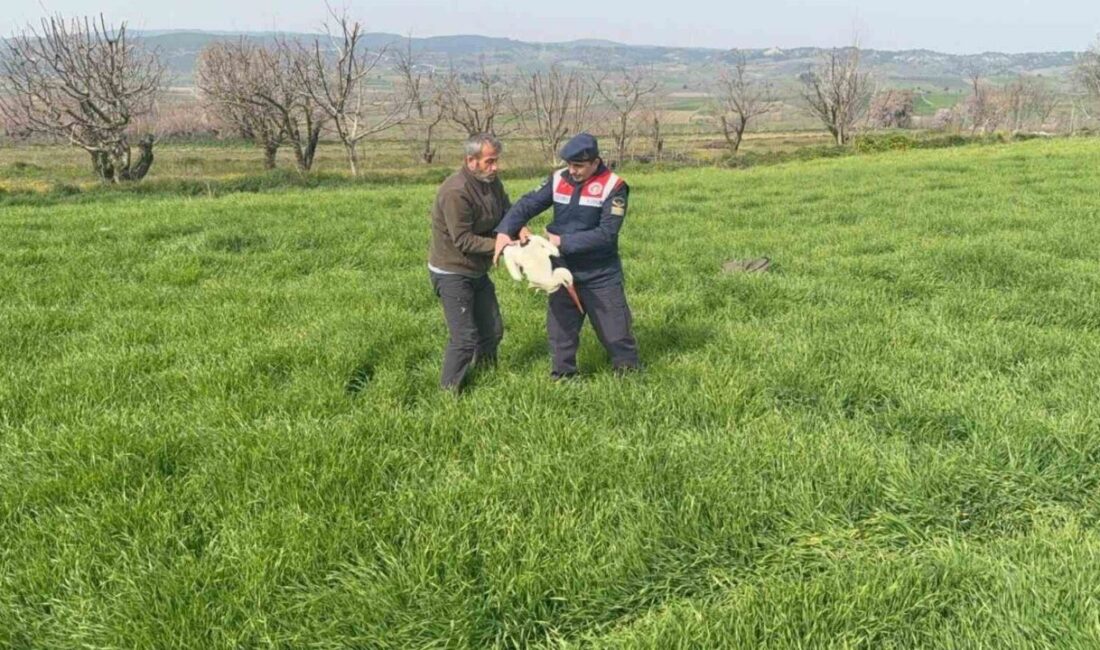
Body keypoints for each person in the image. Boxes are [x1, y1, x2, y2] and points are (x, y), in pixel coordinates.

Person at [493, 132, 640, 380]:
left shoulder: (614, 187)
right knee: (561, 332)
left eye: (579, 166)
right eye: (570, 164)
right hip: (562, 270)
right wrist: (504, 232)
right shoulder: (558, 178)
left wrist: (562, 241)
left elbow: (607, 234)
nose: (572, 170)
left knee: (616, 333)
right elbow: (527, 204)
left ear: (595, 162)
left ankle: (629, 376)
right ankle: (563, 379)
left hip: (600, 273)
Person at [427, 133, 528, 392]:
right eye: (489, 161)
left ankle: (485, 377)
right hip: (452, 270)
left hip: (477, 270)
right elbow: (463, 240)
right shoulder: (455, 192)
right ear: (470, 161)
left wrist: (519, 228)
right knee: (464, 339)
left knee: (492, 330)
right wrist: (503, 246)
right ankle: (448, 394)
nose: (496, 167)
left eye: (496, 161)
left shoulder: (491, 181)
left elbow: (507, 211)